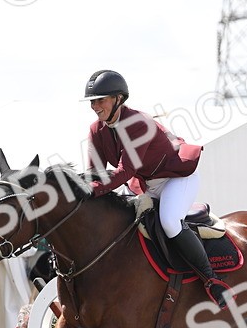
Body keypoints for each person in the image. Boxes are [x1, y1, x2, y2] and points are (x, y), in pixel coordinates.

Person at [81, 69, 230, 310]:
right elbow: (94, 174)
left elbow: (124, 171)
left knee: (170, 222)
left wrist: (92, 190)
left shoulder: (138, 123)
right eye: (92, 101)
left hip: (177, 179)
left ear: (119, 98)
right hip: (146, 184)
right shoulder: (96, 130)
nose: (95, 106)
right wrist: (81, 190)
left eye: (100, 100)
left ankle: (211, 280)